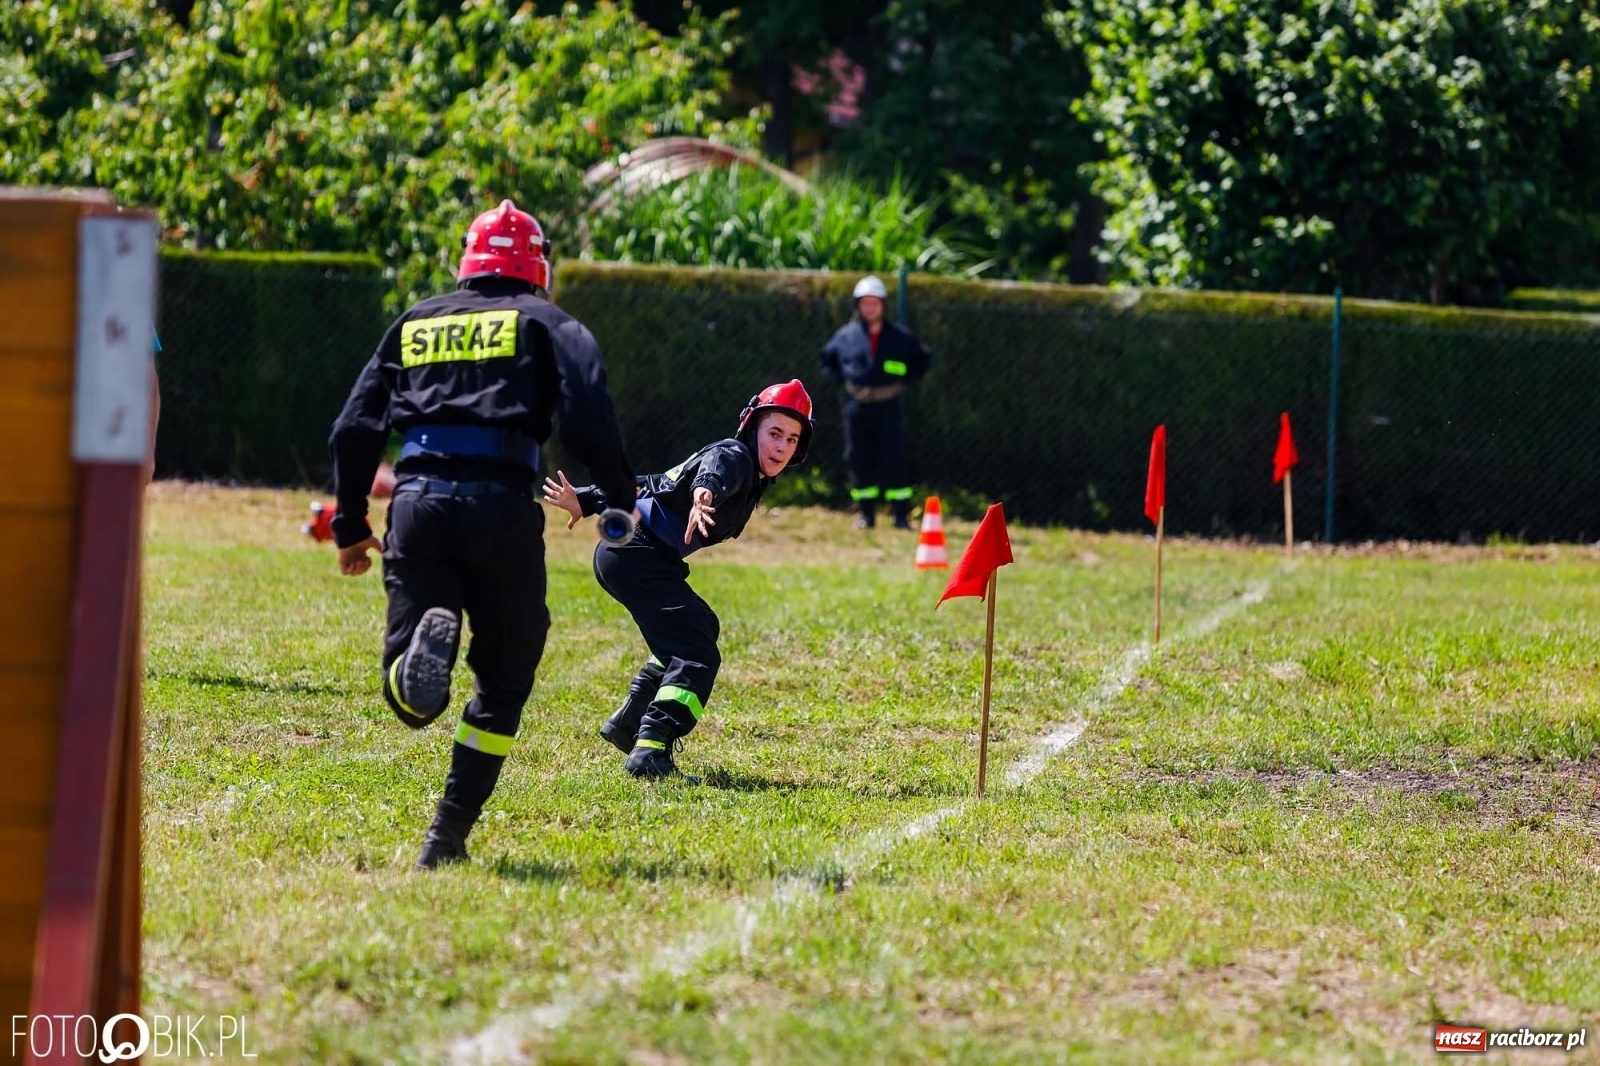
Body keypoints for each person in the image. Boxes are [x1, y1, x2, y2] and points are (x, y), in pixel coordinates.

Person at [328, 199, 636, 870]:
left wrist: (351, 524)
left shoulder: (414, 322)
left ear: (468, 262)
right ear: (538, 267)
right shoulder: (551, 323)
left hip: (418, 503)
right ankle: (446, 836)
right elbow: (588, 415)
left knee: (411, 696)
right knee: (503, 679)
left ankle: (411, 667)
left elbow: (356, 429)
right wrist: (618, 494)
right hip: (502, 505)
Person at [541, 380, 814, 781]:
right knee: (697, 652)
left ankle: (629, 721)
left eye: (791, 439)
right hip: (638, 554)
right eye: (774, 433)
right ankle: (651, 747)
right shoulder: (734, 456)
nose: (781, 447)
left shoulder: (751, 473)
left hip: (634, 555)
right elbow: (714, 472)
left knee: (699, 627)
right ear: (751, 427)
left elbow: (653, 482)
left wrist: (585, 499)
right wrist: (705, 494)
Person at [819, 274, 931, 529]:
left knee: (895, 457)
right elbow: (827, 360)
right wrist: (843, 380)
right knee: (858, 457)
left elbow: (922, 360)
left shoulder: (900, 337)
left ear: (883, 305)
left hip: (889, 406)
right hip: (856, 407)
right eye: (865, 303)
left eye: (875, 302)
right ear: (857, 305)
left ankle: (900, 516)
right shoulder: (845, 336)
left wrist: (905, 378)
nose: (870, 308)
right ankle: (866, 515)